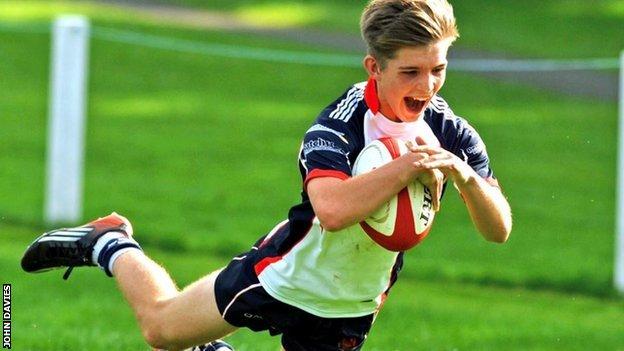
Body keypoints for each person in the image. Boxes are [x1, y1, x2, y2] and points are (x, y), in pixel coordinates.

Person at [21, 0, 512, 350]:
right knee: (161, 330)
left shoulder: (450, 131)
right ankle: (109, 242)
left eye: (438, 69)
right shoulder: (337, 125)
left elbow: (498, 230)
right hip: (284, 273)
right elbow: (333, 210)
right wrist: (410, 164)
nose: (427, 86)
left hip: (353, 301)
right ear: (373, 68)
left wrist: (463, 176)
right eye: (411, 72)